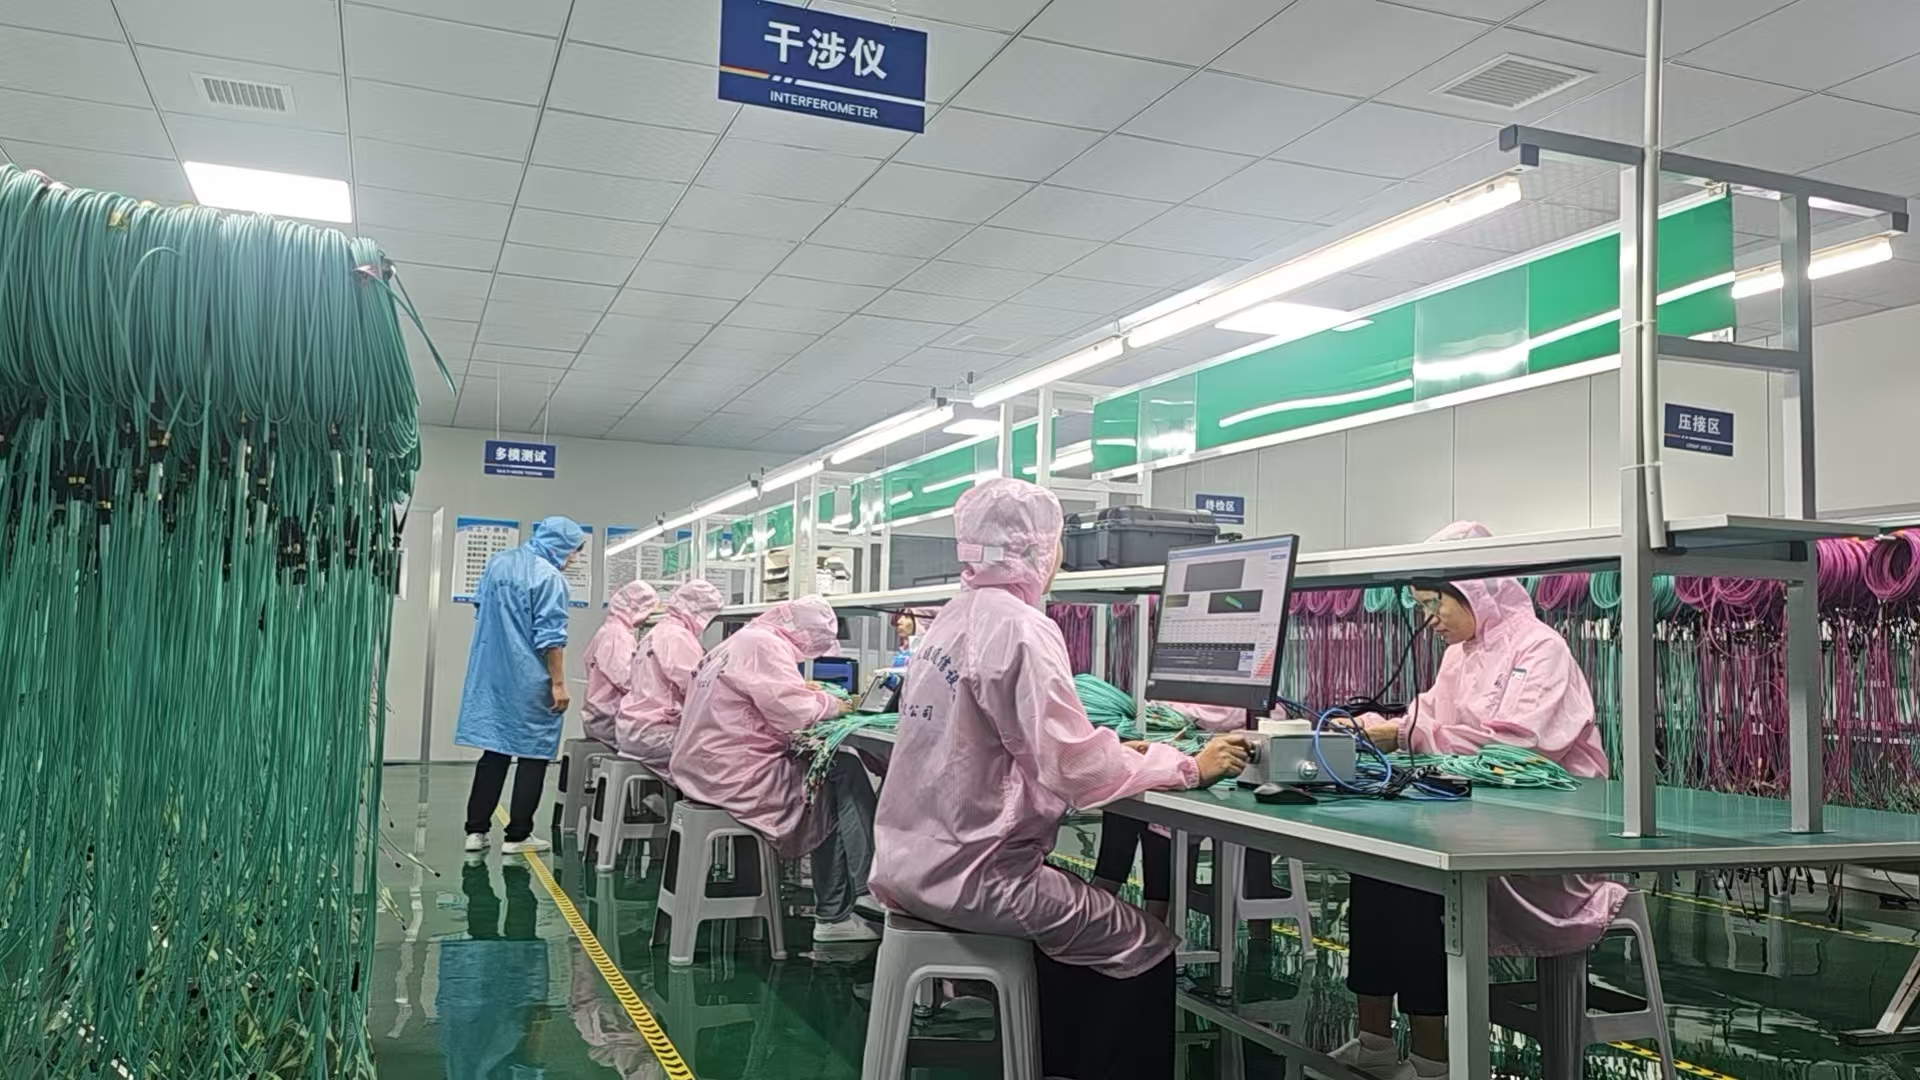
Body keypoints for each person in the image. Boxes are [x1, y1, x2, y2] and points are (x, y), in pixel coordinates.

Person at [868, 478, 1250, 1079]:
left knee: (1079, 917)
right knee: (1145, 944)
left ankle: (1047, 1056)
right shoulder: (1020, 627)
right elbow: (1073, 770)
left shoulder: (947, 620)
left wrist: (1115, 750)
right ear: (1038, 548)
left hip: (908, 865)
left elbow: (1008, 743)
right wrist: (1187, 766)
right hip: (980, 876)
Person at [1337, 520, 1625, 1080]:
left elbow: (1516, 746)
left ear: (1474, 590)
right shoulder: (1459, 654)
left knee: (1421, 879)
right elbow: (1427, 717)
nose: (1429, 619)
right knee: (1375, 863)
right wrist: (1371, 725)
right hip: (1474, 817)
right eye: (1421, 606)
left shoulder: (1540, 648)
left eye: (1434, 603)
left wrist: (1407, 734)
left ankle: (1431, 1059)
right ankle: (1373, 1042)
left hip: (1545, 837)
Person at [672, 595, 882, 943]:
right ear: (805, 634)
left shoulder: (738, 642)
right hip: (735, 774)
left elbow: (756, 696)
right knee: (839, 775)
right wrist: (835, 703)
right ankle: (850, 905)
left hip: (704, 769)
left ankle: (848, 903)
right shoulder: (764, 645)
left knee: (834, 771)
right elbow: (792, 711)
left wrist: (802, 689)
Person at [456, 515, 585, 855]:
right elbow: (551, 638)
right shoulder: (549, 578)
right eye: (574, 551)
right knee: (533, 754)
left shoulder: (498, 563)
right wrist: (558, 684)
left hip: (492, 673)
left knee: (495, 751)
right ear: (560, 545)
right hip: (529, 677)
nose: (573, 559)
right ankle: (518, 835)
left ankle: (476, 831)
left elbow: (480, 607)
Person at [1090, 701, 1246, 922]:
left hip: (1220, 773)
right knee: (1131, 802)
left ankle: (1152, 918)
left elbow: (1244, 713)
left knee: (1158, 816)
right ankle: (1108, 903)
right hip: (1182, 759)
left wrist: (1173, 715)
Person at [614, 578, 725, 784]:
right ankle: (687, 804)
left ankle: (660, 799)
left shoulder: (656, 632)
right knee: (723, 758)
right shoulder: (677, 637)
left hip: (632, 728)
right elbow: (697, 687)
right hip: (655, 733)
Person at [581, 581, 658, 746]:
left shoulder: (609, 630)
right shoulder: (617, 635)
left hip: (599, 715)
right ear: (636, 609)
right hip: (609, 719)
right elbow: (627, 679)